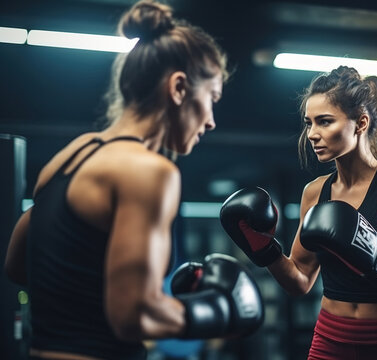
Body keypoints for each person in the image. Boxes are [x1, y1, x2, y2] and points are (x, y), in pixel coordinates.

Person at [3, 1, 263, 359]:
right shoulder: (150, 172)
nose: (211, 121)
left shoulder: (70, 156)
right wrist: (219, 311)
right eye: (212, 99)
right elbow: (134, 315)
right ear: (179, 88)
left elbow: (17, 265)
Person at [220, 66, 377, 359]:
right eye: (309, 123)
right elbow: (299, 281)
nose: (312, 134)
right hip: (330, 341)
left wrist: (375, 259)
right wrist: (264, 248)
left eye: (324, 122)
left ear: (360, 123)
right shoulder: (314, 193)